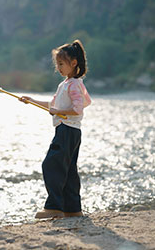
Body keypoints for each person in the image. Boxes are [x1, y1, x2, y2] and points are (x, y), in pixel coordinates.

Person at [19, 39, 91, 219]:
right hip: (71, 131)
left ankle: (54, 207)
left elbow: (78, 108)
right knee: (68, 169)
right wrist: (32, 100)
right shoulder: (68, 84)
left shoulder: (73, 84)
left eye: (61, 64)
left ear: (74, 63)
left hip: (67, 130)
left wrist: (59, 111)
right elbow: (55, 104)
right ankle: (73, 209)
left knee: (51, 164)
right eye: (57, 64)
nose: (58, 67)